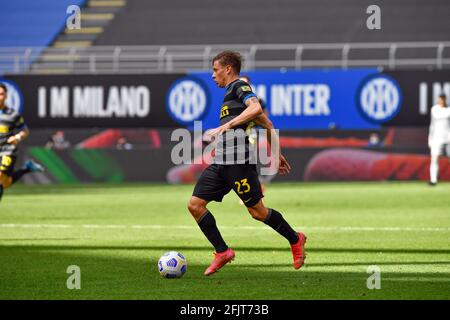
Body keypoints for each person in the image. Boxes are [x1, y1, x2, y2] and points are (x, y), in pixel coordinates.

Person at [187, 51, 307, 276]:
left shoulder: (238, 87)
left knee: (257, 212)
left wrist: (227, 126)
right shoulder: (229, 96)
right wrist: (277, 152)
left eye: (215, 70)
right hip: (221, 161)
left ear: (228, 69)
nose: (213, 75)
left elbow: (256, 108)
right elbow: (267, 123)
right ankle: (222, 252)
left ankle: (295, 238)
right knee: (195, 205)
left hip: (239, 162)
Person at [0, 83, 44, 201]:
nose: (0, 97)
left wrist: (18, 137)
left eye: (2, 94)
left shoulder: (13, 115)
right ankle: (27, 168)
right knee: (5, 183)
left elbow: (25, 130)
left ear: (6, 96)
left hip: (7, 150)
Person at [428, 94, 450, 186]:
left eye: (443, 99)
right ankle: (433, 180)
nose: (441, 101)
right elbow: (432, 124)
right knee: (434, 158)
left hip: (448, 138)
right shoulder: (434, 110)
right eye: (440, 99)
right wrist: (430, 138)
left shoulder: (448, 110)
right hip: (436, 138)